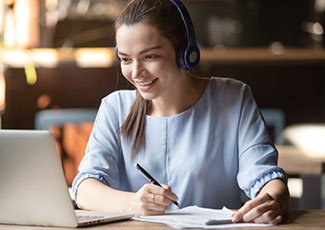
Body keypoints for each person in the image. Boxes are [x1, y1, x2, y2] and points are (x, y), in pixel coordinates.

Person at [72, 0, 289, 224]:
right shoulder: (115, 107)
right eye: (126, 59)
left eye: (150, 57)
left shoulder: (233, 97)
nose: (136, 73)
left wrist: (274, 200)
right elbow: (85, 189)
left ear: (185, 52)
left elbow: (264, 175)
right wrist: (133, 203)